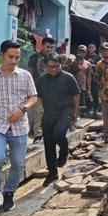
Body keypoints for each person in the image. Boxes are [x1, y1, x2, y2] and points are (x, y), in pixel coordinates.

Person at [0, 40, 38, 211]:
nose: (14, 61)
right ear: (1, 56)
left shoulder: (25, 75)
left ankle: (10, 192)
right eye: (10, 57)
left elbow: (33, 97)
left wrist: (22, 108)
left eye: (17, 57)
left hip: (19, 127)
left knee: (18, 163)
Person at [36, 53, 80, 186]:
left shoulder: (68, 78)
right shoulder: (42, 80)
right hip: (49, 113)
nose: (53, 69)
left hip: (65, 111)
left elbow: (76, 96)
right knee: (48, 144)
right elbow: (39, 98)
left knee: (59, 134)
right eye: (50, 67)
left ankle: (64, 151)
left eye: (56, 66)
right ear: (46, 66)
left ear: (60, 65)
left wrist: (75, 114)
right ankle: (52, 172)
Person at [27, 37, 55, 142]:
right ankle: (37, 135)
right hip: (37, 90)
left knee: (46, 113)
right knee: (38, 113)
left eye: (51, 47)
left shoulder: (52, 58)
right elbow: (29, 72)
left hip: (50, 90)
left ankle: (43, 133)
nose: (49, 49)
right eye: (47, 47)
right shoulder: (35, 57)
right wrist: (29, 88)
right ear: (42, 46)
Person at [67, 45, 92, 116]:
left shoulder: (88, 64)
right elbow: (65, 70)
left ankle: (76, 119)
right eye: (79, 51)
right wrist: (72, 63)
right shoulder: (71, 61)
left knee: (81, 106)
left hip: (82, 87)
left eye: (83, 52)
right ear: (77, 52)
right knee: (70, 104)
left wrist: (89, 90)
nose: (81, 53)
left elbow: (89, 77)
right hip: (70, 87)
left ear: (86, 53)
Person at [86, 43, 101, 118]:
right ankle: (89, 109)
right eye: (90, 47)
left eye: (92, 47)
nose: (91, 49)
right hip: (86, 78)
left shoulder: (98, 57)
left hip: (94, 78)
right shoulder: (85, 56)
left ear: (95, 49)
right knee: (87, 94)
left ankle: (96, 109)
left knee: (95, 95)